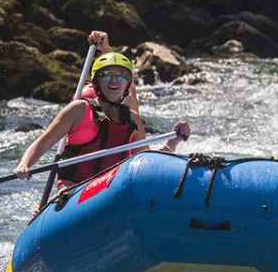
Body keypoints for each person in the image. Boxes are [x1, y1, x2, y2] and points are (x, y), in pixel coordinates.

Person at [14, 51, 190, 187]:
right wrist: (25, 164)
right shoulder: (78, 110)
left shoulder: (132, 120)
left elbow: (146, 163)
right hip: (73, 189)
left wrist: (172, 143)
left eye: (121, 77)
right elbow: (42, 143)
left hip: (111, 188)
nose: (115, 80)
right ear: (96, 81)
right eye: (107, 75)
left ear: (127, 84)